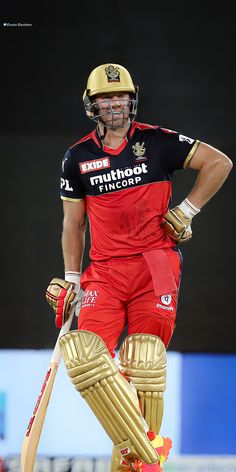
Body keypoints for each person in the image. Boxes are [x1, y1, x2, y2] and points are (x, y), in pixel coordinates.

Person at [46, 63, 232, 472]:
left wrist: (186, 210)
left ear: (132, 100)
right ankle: (149, 452)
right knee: (80, 355)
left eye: (121, 96)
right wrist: (73, 279)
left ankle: (133, 461)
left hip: (155, 265)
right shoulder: (77, 157)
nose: (114, 104)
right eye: (105, 98)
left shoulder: (158, 141)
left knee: (143, 359)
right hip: (105, 272)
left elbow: (220, 163)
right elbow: (72, 224)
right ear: (91, 105)